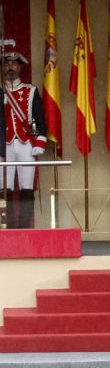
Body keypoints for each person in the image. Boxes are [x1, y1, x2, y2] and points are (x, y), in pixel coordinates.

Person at [2, 46, 47, 230]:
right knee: (4, 188)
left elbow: (39, 117)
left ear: (20, 68)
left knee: (27, 186)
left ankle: (24, 227)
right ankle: (8, 228)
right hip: (3, 145)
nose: (10, 67)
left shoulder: (30, 91)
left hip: (26, 143)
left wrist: (40, 140)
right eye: (7, 64)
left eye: (14, 63)